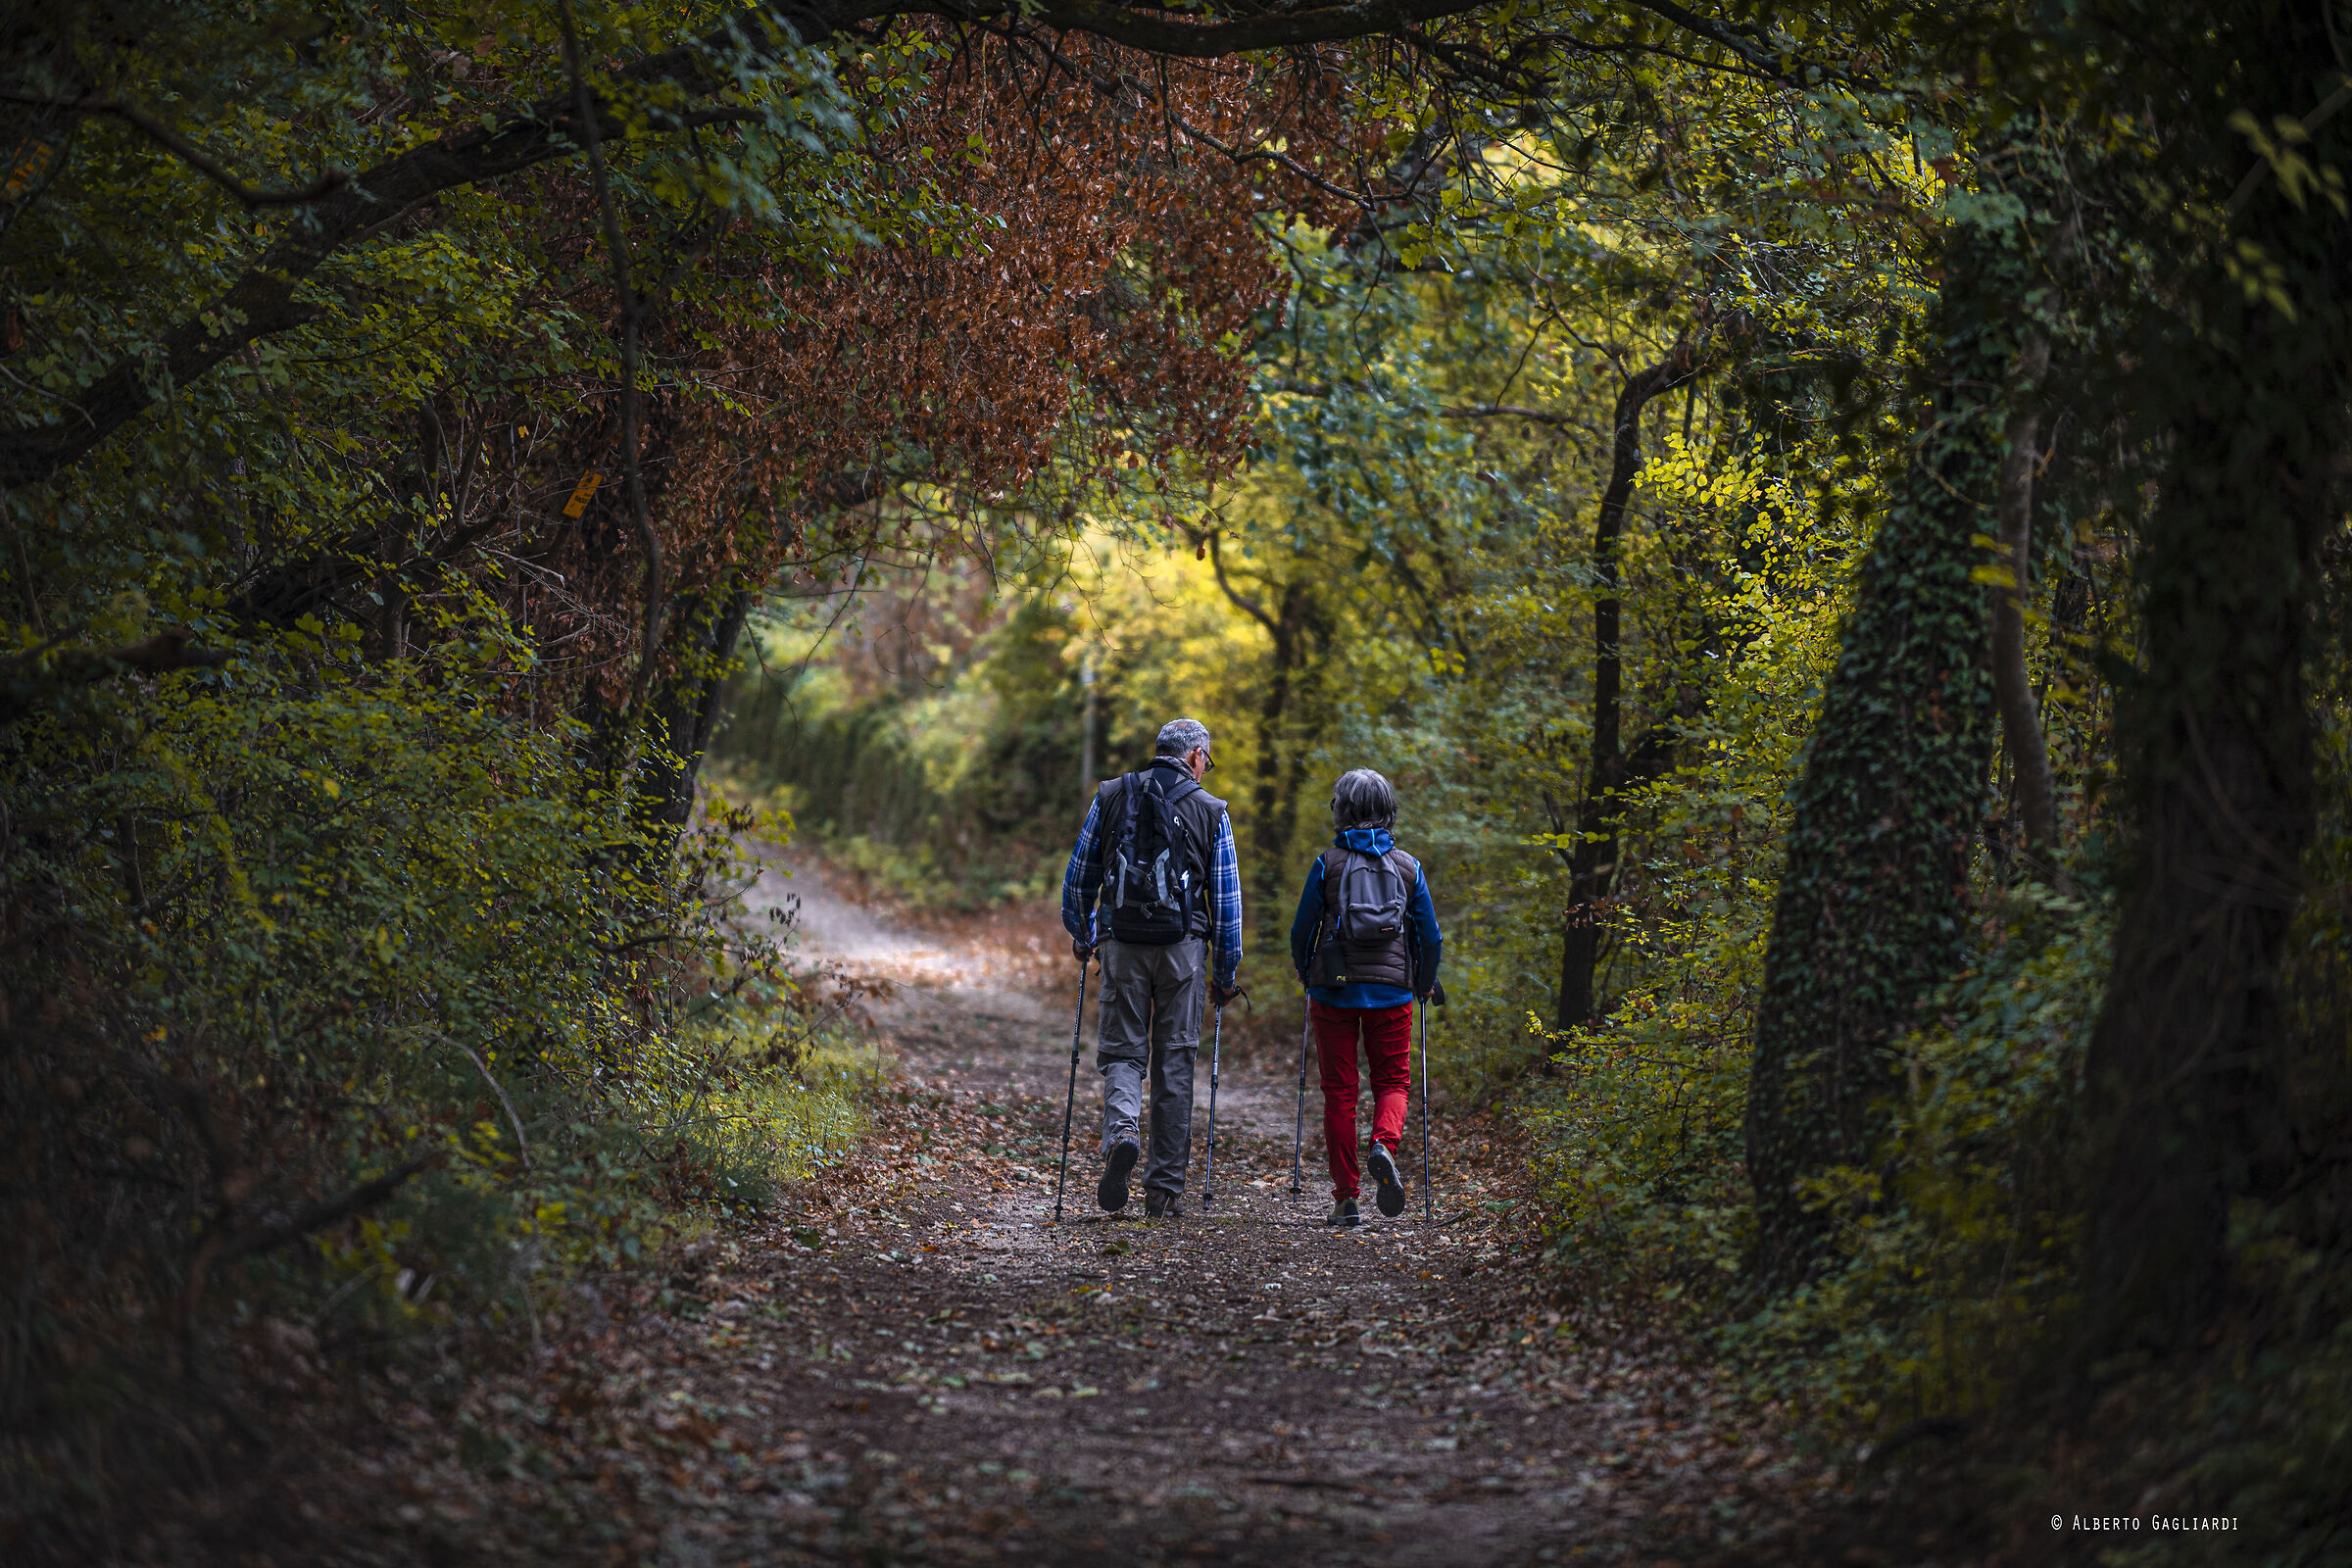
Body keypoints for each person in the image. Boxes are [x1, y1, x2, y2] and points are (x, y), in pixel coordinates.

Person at [1060, 717, 1244, 1219]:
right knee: (1175, 1059)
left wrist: (1084, 935)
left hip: (1121, 942)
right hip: (1183, 949)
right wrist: (1225, 974)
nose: (1206, 769)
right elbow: (1226, 903)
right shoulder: (1211, 811)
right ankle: (1162, 1190)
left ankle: (1122, 1131)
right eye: (1207, 759)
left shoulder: (1113, 794)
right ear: (1194, 756)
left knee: (1122, 1050)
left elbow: (1080, 875)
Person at [1290, 767, 1443, 1227]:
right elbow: (1429, 937)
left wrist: (1305, 971)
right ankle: (1383, 1144)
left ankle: (1346, 1199)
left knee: (1340, 1093)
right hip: (1393, 990)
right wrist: (1424, 981)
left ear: (1343, 810)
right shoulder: (1407, 867)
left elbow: (1302, 930)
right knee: (1393, 1084)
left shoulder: (1328, 863)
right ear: (1388, 810)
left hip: (1333, 989)